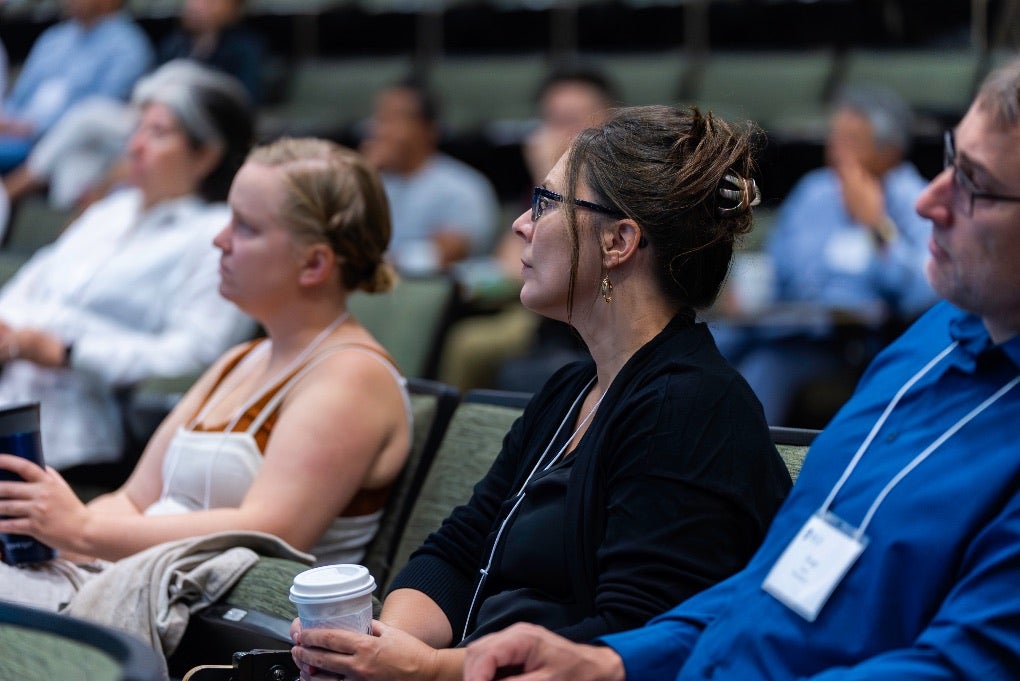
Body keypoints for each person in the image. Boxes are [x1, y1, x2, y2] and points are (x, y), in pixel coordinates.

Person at [460, 57, 1020, 681]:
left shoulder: (690, 408)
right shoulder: (924, 347)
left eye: (975, 182)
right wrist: (614, 663)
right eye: (949, 159)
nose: (927, 200)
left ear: (620, 242)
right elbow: (775, 585)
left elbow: (964, 666)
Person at [288, 105, 793, 681]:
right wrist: (385, 648)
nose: (521, 224)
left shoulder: (690, 410)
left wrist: (426, 670)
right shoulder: (571, 389)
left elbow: (630, 644)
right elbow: (455, 553)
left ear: (619, 241)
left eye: (547, 203)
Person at [0, 136, 412, 612]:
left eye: (246, 227)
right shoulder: (241, 359)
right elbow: (133, 501)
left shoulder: (351, 377)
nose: (220, 240)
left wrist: (83, 531)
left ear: (315, 262)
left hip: (213, 624)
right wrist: (52, 535)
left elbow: (269, 530)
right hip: (133, 586)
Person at [0, 61, 256, 471]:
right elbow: (29, 284)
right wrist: (11, 336)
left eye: (157, 133)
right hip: (13, 396)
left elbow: (197, 357)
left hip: (87, 431)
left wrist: (69, 351)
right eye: (137, 130)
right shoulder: (110, 211)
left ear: (207, 154)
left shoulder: (216, 237)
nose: (134, 146)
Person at [713, 85, 938, 426]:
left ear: (889, 151)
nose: (835, 153)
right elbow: (776, 267)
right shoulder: (815, 192)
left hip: (851, 345)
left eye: (850, 142)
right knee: (707, 345)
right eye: (833, 140)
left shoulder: (915, 199)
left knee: (767, 367)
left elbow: (922, 293)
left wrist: (877, 225)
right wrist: (746, 293)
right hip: (782, 325)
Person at [437, 65, 621, 392]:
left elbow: (533, 267)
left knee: (469, 345)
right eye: (550, 120)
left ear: (609, 126)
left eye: (571, 120)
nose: (555, 134)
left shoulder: (614, 187)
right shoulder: (550, 179)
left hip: (589, 310)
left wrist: (545, 179)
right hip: (539, 309)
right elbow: (509, 262)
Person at [0, 0, 267, 224]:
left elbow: (240, 108)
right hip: (127, 124)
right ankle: (70, 233)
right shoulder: (176, 44)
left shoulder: (244, 49)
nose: (196, 5)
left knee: (88, 114)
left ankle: (13, 189)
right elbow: (146, 96)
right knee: (76, 162)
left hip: (187, 129)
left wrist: (33, 126)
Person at [360, 76, 500, 274]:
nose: (379, 130)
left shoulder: (463, 186)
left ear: (429, 129)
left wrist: (370, 264)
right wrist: (360, 178)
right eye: (379, 118)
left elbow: (440, 255)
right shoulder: (368, 182)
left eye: (394, 119)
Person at [0, 0, 153, 173]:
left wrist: (32, 127)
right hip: (13, 134)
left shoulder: (129, 46)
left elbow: (97, 111)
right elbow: (19, 96)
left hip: (61, 140)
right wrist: (9, 123)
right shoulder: (52, 38)